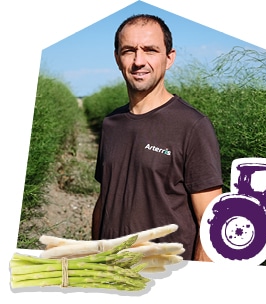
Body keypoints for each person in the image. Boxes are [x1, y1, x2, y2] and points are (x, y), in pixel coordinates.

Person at [91, 14, 223, 261]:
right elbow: (104, 199)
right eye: (129, 50)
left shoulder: (193, 126)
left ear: (169, 58)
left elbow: (210, 222)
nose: (138, 61)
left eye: (150, 50)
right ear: (117, 58)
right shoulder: (111, 124)